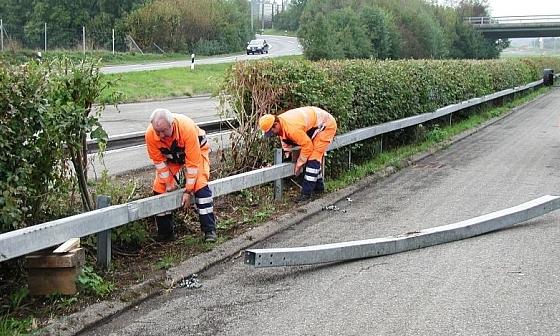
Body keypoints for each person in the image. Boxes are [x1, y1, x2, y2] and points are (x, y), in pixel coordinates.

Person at [145, 108, 217, 242]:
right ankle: (165, 232)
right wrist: (168, 183)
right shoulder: (150, 134)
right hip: (172, 157)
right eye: (157, 131)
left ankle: (209, 230)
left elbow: (193, 164)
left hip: (196, 153)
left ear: (172, 124)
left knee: (200, 184)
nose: (160, 135)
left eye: (164, 131)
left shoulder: (187, 128)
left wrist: (188, 191)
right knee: (159, 188)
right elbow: (159, 161)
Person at [258, 106, 337, 202]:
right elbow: (284, 137)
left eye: (272, 131)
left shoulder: (292, 128)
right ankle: (319, 188)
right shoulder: (281, 122)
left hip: (326, 126)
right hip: (316, 124)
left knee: (313, 158)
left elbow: (307, 146)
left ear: (276, 124)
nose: (272, 134)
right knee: (310, 157)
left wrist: (299, 163)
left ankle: (306, 194)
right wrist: (287, 152)